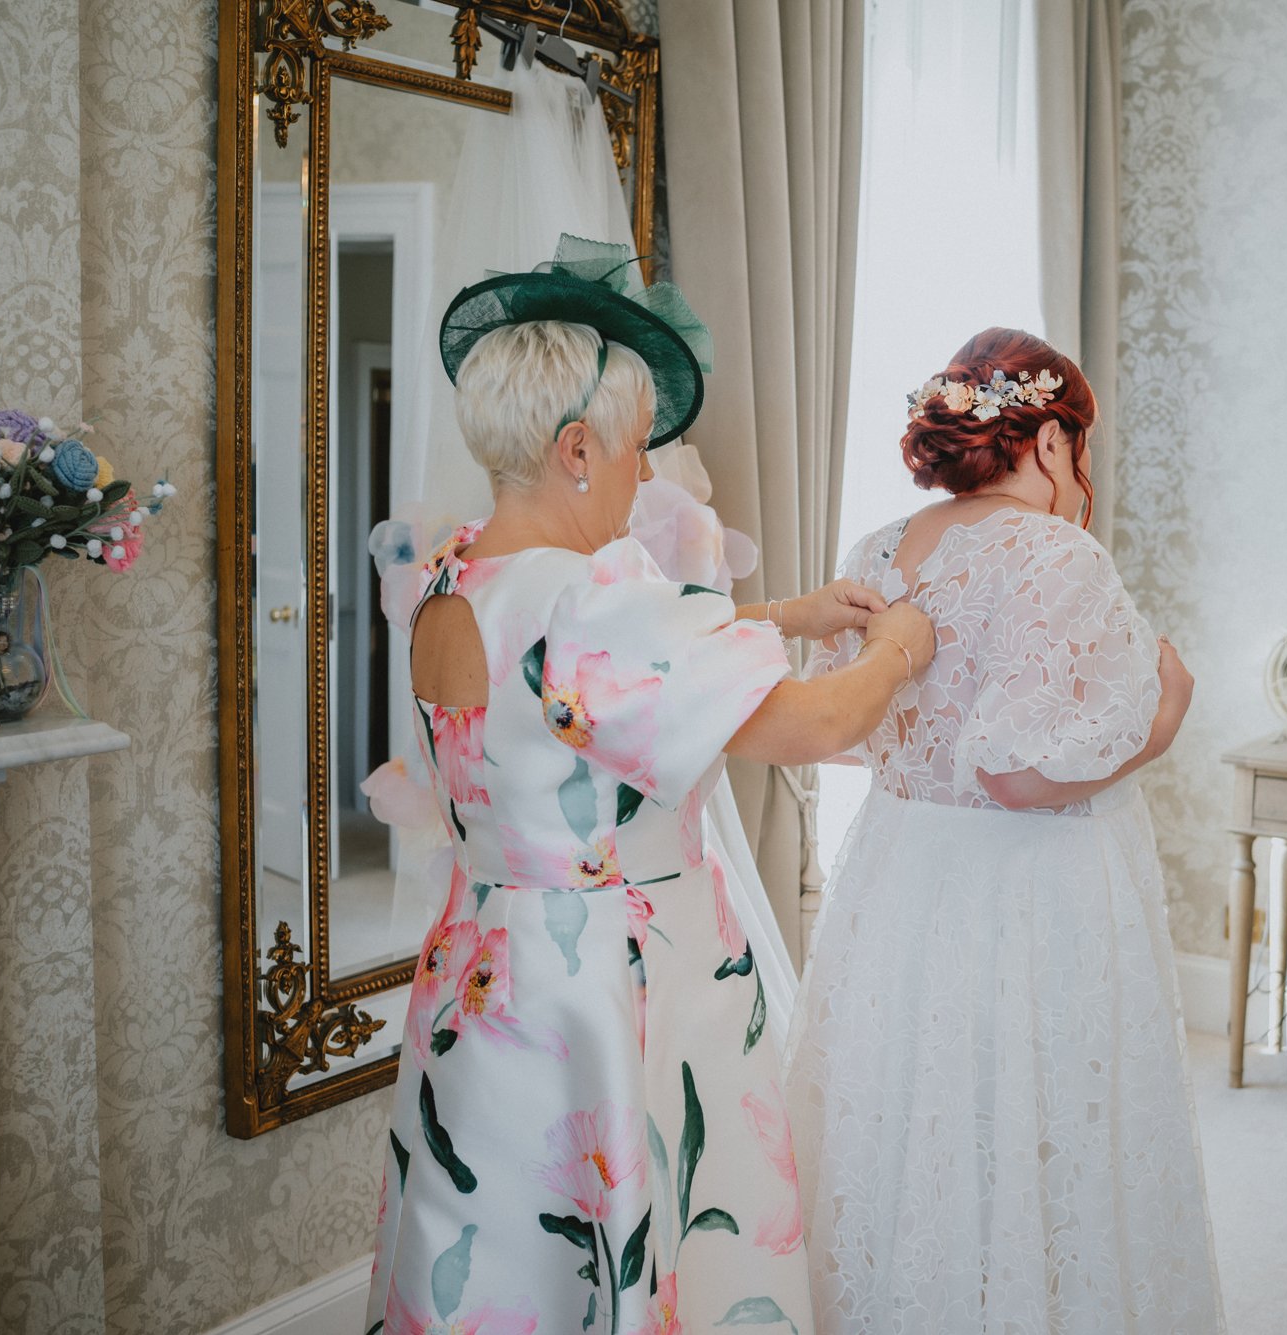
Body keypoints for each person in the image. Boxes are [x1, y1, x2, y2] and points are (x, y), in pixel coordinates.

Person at [364, 236, 935, 1335]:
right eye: (634, 449)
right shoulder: (592, 597)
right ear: (577, 448)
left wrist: (786, 615)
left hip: (487, 967)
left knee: (502, 1232)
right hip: (612, 977)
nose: (641, 474)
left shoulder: (450, 579)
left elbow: (572, 692)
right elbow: (809, 725)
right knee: (654, 1219)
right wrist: (896, 648)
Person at [784, 328, 1219, 1332]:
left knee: (904, 1104)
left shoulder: (878, 546)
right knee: (1032, 1108)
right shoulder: (1055, 552)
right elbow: (1021, 775)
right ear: (1050, 437)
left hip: (902, 865)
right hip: (1024, 880)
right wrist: (1158, 726)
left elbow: (859, 736)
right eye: (1082, 446)